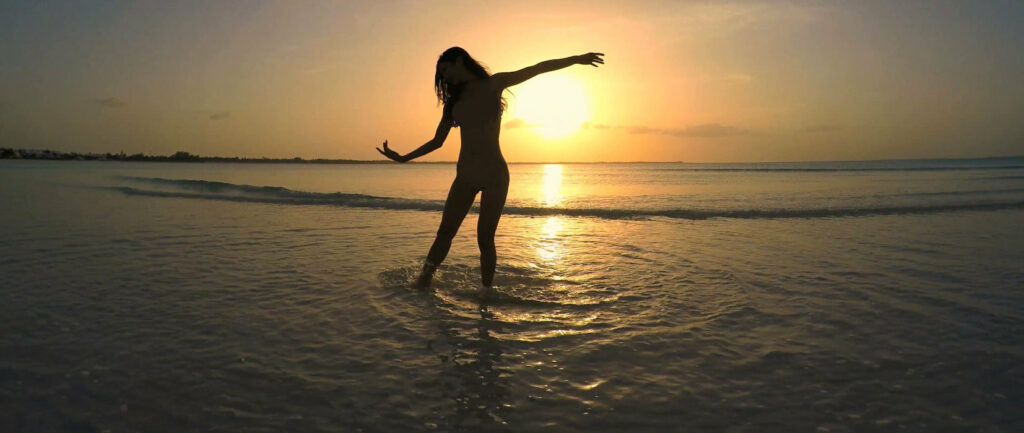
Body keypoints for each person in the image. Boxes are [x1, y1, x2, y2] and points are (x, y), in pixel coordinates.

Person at [377, 46, 604, 296]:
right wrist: (404, 157)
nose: (445, 78)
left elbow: (536, 69)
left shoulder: (494, 84)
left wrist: (576, 60)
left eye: (446, 70)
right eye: (441, 74)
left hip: (494, 175)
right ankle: (424, 281)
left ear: (461, 61)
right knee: (445, 231)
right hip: (465, 176)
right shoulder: (453, 104)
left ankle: (486, 293)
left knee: (484, 238)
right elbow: (437, 141)